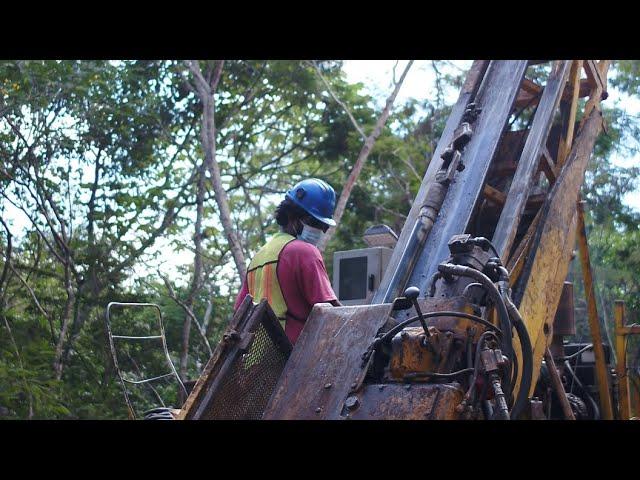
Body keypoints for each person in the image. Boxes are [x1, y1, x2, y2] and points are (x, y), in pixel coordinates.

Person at [234, 178, 341, 344]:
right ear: (293, 217)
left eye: (324, 227)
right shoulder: (304, 252)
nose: (320, 230)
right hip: (291, 360)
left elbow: (239, 312)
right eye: (315, 223)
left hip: (256, 359)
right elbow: (331, 313)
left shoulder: (259, 256)